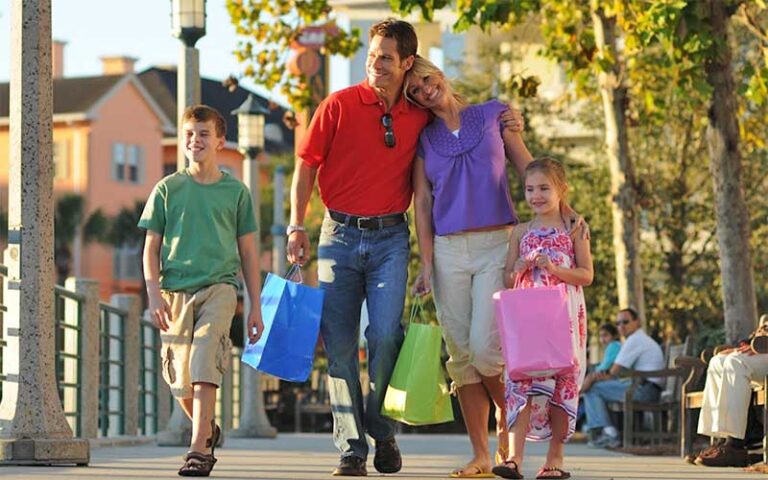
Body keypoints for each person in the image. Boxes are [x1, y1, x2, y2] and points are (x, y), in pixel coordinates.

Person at [286, 19, 430, 477]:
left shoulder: (418, 116)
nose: (376, 64)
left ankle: (382, 431)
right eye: (372, 56)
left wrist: (505, 120)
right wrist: (296, 224)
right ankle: (352, 448)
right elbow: (306, 166)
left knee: (386, 336)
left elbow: (455, 120)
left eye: (386, 57)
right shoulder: (338, 105)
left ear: (407, 63)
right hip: (338, 238)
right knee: (341, 347)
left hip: (391, 238)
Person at [405, 55, 533, 478]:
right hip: (448, 252)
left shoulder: (494, 114)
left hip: (498, 244)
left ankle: (509, 419)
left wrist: (562, 212)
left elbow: (528, 168)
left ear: (437, 73)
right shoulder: (424, 140)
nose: (425, 91)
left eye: (425, 80)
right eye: (415, 92)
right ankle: (481, 455)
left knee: (485, 349)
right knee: (461, 358)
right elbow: (422, 203)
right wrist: (425, 263)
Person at [139, 105, 263, 476]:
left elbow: (248, 253)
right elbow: (151, 247)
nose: (195, 140)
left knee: (205, 357)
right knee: (178, 378)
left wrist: (254, 305)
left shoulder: (236, 192)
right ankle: (206, 427)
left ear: (221, 141)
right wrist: (152, 292)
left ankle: (198, 449)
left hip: (220, 287)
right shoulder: (167, 189)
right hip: (174, 290)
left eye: (204, 134)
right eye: (189, 134)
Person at [492, 158, 592, 480]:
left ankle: (555, 459)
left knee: (563, 380)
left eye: (544, 188)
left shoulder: (574, 228)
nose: (536, 195)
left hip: (564, 315)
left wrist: (555, 269)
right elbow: (507, 279)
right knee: (521, 380)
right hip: (527, 316)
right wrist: (520, 266)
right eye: (530, 188)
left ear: (561, 189)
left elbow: (586, 274)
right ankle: (514, 458)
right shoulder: (520, 231)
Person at [582, 307, 665, 449]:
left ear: (637, 322)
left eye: (625, 322)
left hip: (646, 390)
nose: (621, 326)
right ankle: (603, 430)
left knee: (593, 389)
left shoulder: (635, 339)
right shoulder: (637, 339)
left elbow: (613, 372)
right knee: (595, 387)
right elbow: (618, 373)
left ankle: (608, 434)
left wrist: (591, 379)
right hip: (644, 386)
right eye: (618, 323)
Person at [693, 320, 768, 467]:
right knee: (718, 361)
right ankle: (722, 441)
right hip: (762, 346)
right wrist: (746, 345)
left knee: (736, 362)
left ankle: (735, 445)